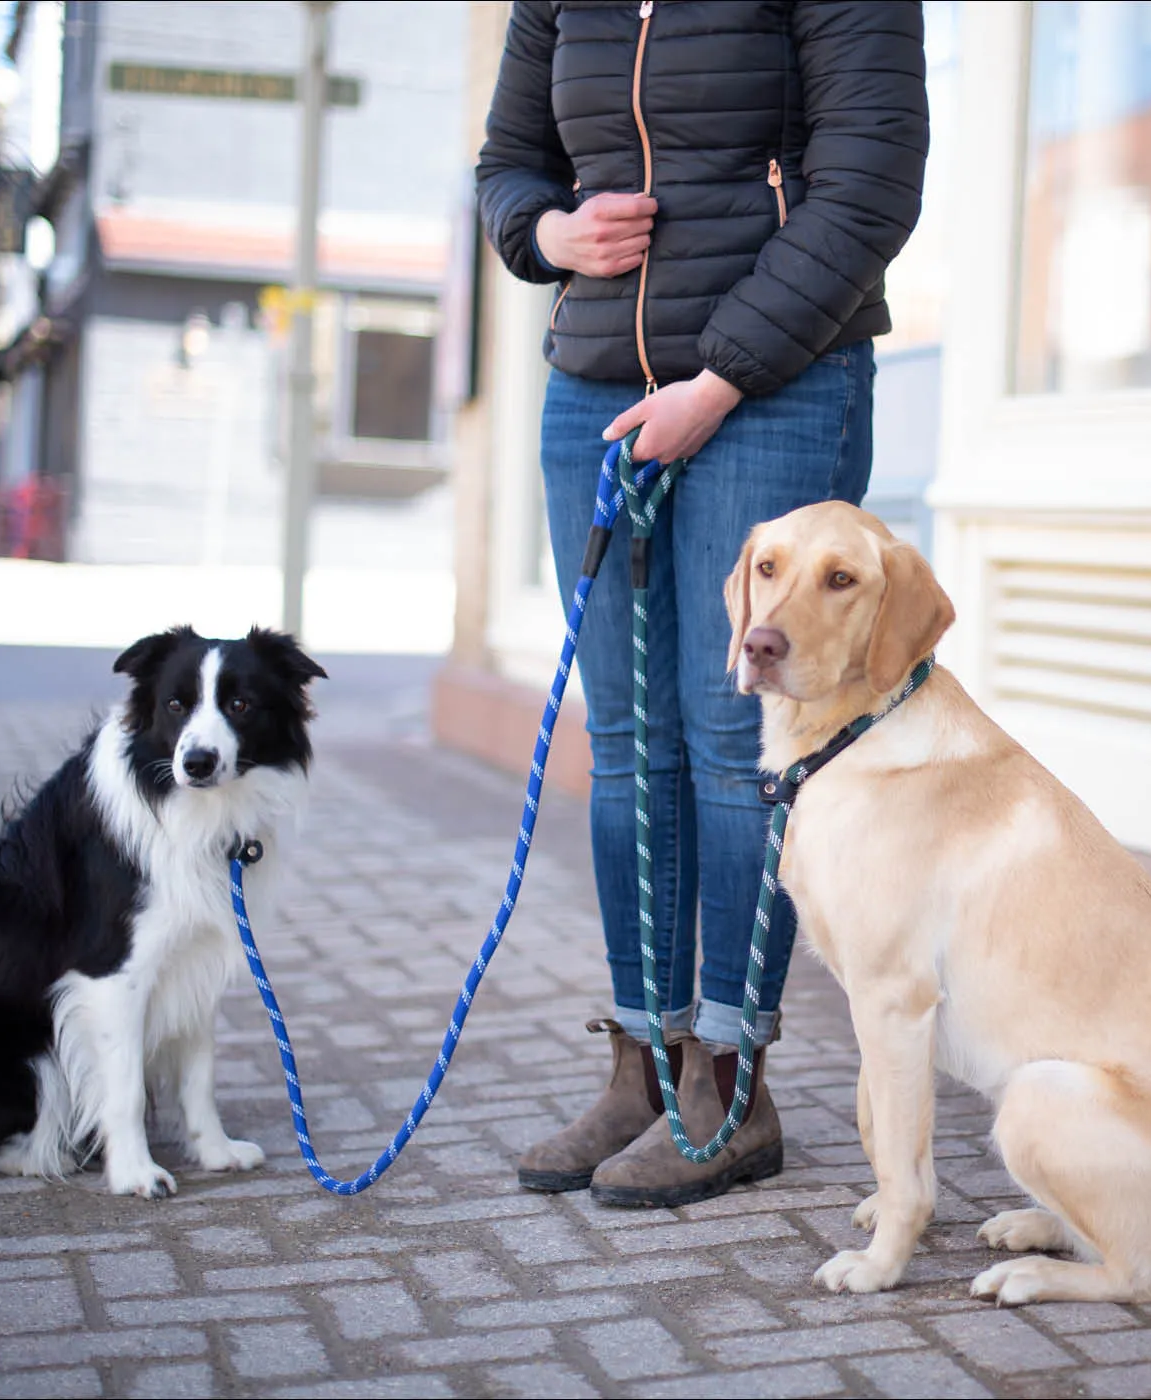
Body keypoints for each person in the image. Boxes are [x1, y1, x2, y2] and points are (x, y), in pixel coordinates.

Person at [476, 0, 928, 1208]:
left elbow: (869, 188)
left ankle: (726, 1081)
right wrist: (549, 233)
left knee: (737, 741)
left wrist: (716, 377)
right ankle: (642, 1063)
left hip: (772, 386)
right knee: (629, 743)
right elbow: (506, 167)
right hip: (593, 391)